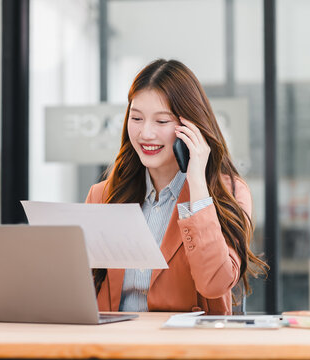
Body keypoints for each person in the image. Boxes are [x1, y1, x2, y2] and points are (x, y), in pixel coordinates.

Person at [85, 59, 268, 315]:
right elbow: (83, 288)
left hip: (186, 348)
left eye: (161, 122)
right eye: (136, 118)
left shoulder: (229, 193)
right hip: (113, 346)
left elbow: (214, 284)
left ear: (191, 127)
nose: (145, 134)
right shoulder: (104, 195)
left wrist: (197, 185)